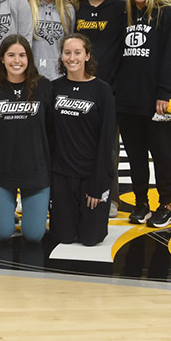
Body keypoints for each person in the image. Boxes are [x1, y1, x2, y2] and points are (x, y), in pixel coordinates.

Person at [115, 0, 171, 228]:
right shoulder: (125, 15)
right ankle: (141, 202)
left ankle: (165, 204)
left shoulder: (167, 14)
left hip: (159, 101)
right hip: (128, 99)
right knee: (135, 155)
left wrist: (165, 92)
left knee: (162, 154)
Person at [0, 35, 52, 243]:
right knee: (2, 233)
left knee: (34, 235)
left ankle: (28, 215)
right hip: (3, 170)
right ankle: (8, 212)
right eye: (11, 55)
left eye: (22, 55)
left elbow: (50, 128)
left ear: (29, 58)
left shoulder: (44, 87)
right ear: (2, 59)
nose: (16, 60)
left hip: (36, 170)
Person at [49, 33, 115, 246]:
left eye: (78, 52)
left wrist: (98, 184)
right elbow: (49, 135)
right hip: (62, 176)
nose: (72, 58)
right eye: (67, 53)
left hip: (91, 175)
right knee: (64, 237)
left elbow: (107, 142)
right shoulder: (54, 88)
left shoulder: (102, 90)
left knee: (91, 239)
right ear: (61, 57)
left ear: (87, 56)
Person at [29, 0, 74, 81]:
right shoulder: (26, 7)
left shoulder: (68, 10)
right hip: (32, 77)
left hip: (60, 77)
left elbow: (71, 44)